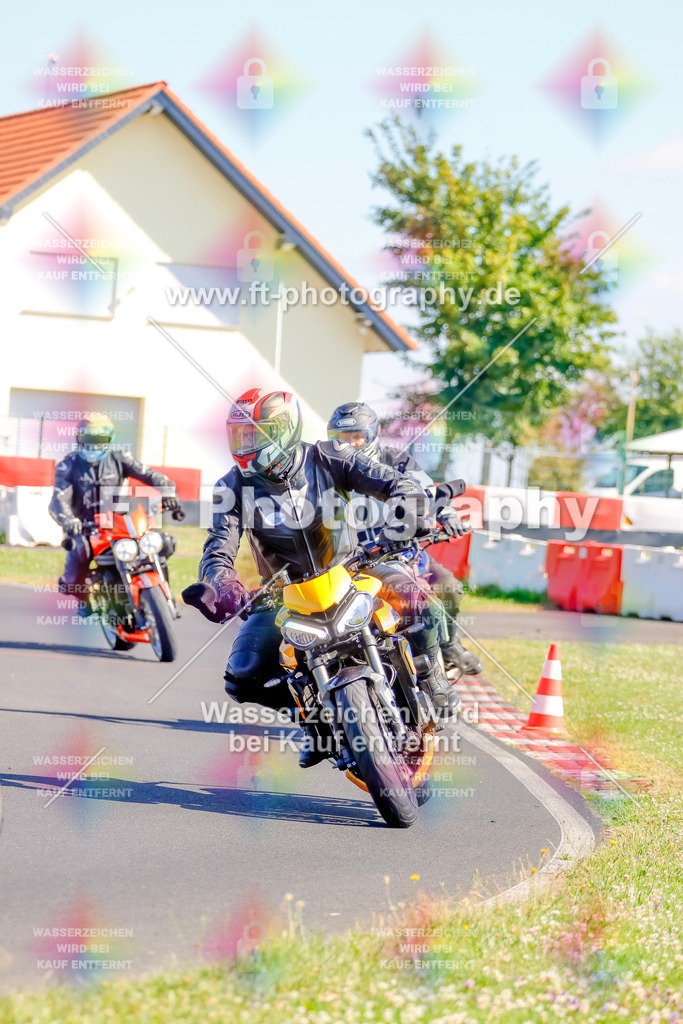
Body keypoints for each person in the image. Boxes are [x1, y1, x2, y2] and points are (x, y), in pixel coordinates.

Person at [183, 388, 460, 768]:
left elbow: (396, 482)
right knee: (243, 677)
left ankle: (432, 679)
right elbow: (218, 549)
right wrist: (222, 585)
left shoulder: (329, 456)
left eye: (254, 435)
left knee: (418, 602)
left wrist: (404, 517)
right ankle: (314, 722)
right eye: (239, 437)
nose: (245, 445)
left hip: (356, 565)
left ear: (284, 429)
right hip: (284, 592)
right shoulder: (231, 487)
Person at [327, 401, 483, 676]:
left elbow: (427, 491)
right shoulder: (326, 469)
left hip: (402, 549)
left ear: (373, 434)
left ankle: (448, 645)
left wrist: (447, 515)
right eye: (342, 437)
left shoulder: (396, 459)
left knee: (449, 587)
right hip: (351, 557)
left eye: (357, 436)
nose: (349, 444)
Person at [49, 413, 183, 606]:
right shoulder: (67, 465)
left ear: (108, 440)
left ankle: (164, 597)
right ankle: (84, 602)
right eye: (87, 439)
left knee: (163, 543)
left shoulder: (120, 458)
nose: (92, 445)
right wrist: (68, 519)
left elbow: (150, 475)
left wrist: (168, 493)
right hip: (84, 528)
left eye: (98, 440)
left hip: (117, 524)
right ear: (79, 439)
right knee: (76, 564)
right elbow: (59, 498)